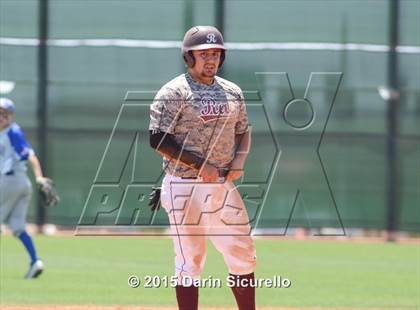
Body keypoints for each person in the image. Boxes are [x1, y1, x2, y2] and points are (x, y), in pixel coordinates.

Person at [149, 26, 256, 310]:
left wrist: (239, 162)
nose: (211, 59)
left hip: (221, 185)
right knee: (191, 260)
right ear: (189, 57)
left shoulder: (232, 91)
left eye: (216, 54)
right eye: (204, 54)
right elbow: (158, 139)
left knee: (243, 254)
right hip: (184, 185)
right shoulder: (174, 91)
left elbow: (244, 131)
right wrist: (200, 164)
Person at [0, 97, 47, 279]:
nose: (0, 117)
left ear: (10, 117)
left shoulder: (13, 132)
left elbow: (30, 155)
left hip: (9, 183)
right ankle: (35, 261)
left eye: (4, 114)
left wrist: (39, 176)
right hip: (21, 185)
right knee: (18, 227)